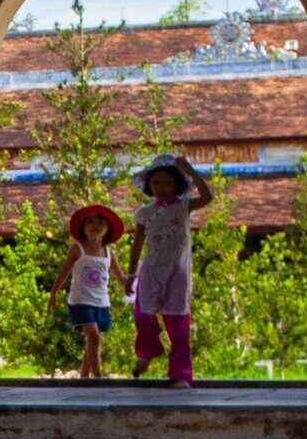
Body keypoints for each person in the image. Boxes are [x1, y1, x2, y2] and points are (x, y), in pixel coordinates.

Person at [126, 158, 216, 388]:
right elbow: (137, 243)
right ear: (149, 185)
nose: (162, 187)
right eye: (156, 183)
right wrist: (130, 274)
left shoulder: (184, 206)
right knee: (142, 314)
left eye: (167, 182)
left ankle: (181, 374)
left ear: (176, 184)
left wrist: (190, 171)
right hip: (151, 270)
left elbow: (208, 197)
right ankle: (148, 349)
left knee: (178, 324)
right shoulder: (144, 213)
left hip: (178, 273)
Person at [57, 204, 124, 380]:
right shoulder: (77, 248)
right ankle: (98, 377)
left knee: (92, 341)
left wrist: (135, 288)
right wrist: (54, 292)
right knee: (94, 338)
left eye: (101, 222)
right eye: (91, 221)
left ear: (108, 229)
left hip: (101, 302)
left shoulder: (109, 253)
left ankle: (84, 376)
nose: (95, 225)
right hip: (80, 301)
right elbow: (64, 271)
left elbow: (120, 277)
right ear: (83, 226)